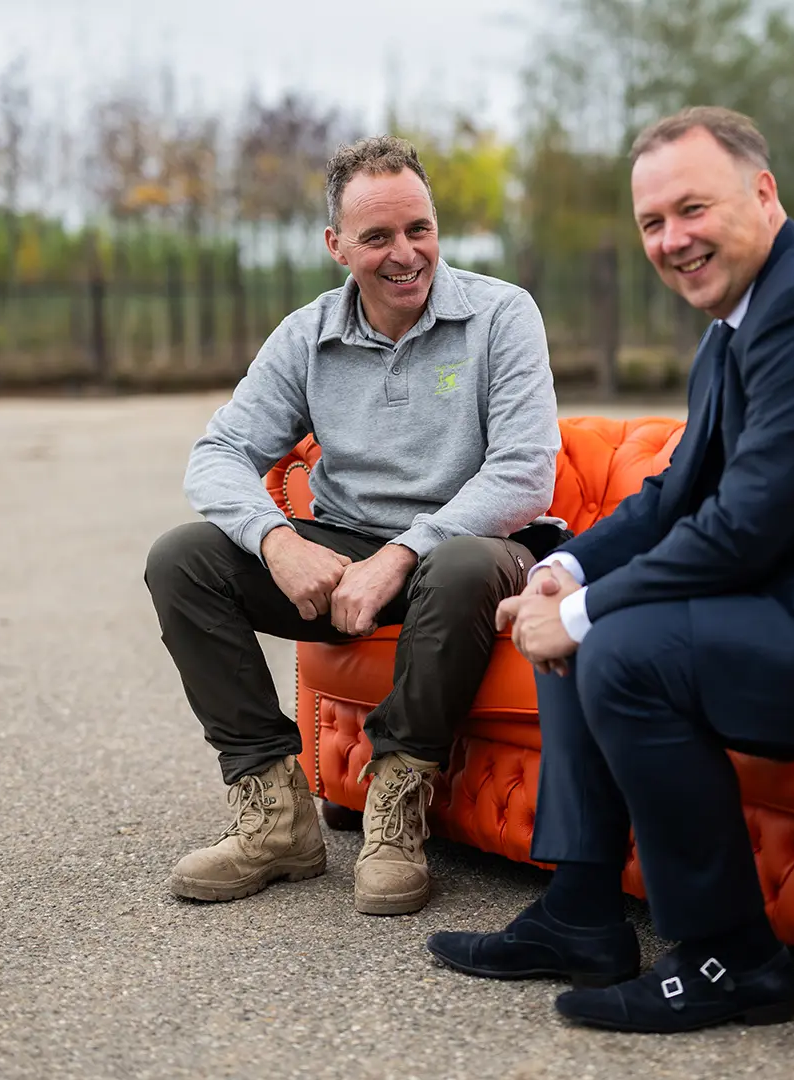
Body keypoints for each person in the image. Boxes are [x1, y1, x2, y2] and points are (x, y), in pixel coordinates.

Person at [425, 106, 794, 1033]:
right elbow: (674, 498)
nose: (672, 239)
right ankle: (581, 913)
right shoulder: (741, 318)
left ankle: (732, 960)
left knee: (616, 647)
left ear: (763, 193)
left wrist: (581, 613)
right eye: (652, 222)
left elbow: (745, 529)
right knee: (576, 615)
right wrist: (565, 569)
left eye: (692, 209)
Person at [145, 135, 567, 916]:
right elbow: (218, 454)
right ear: (336, 246)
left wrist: (401, 553)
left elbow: (523, 473)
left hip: (476, 551)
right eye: (377, 236)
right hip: (344, 547)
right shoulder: (308, 335)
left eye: (419, 228)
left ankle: (397, 810)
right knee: (182, 559)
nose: (405, 254)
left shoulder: (501, 314)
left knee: (459, 565)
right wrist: (277, 540)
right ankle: (276, 818)